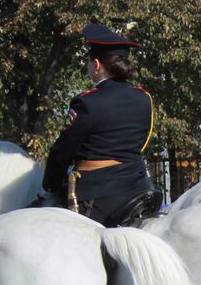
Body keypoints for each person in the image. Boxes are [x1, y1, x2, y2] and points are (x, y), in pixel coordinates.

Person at [42, 24, 158, 226]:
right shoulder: (144, 98)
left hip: (97, 193)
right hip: (139, 188)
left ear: (96, 65)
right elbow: (141, 142)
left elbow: (63, 151)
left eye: (88, 62)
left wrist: (50, 184)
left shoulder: (87, 102)